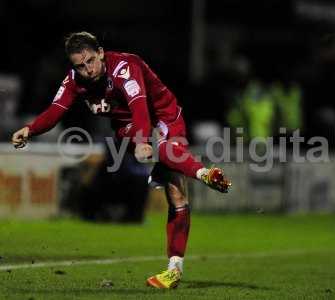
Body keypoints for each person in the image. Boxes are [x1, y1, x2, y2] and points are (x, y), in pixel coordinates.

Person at [11, 32, 231, 289]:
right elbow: (56, 110)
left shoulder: (125, 67)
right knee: (173, 184)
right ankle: (200, 180)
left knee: (172, 180)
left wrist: (142, 142)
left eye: (90, 61)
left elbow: (139, 105)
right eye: (79, 66)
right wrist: (30, 129)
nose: (87, 70)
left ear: (101, 52)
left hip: (164, 115)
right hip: (128, 127)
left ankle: (203, 179)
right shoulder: (74, 81)